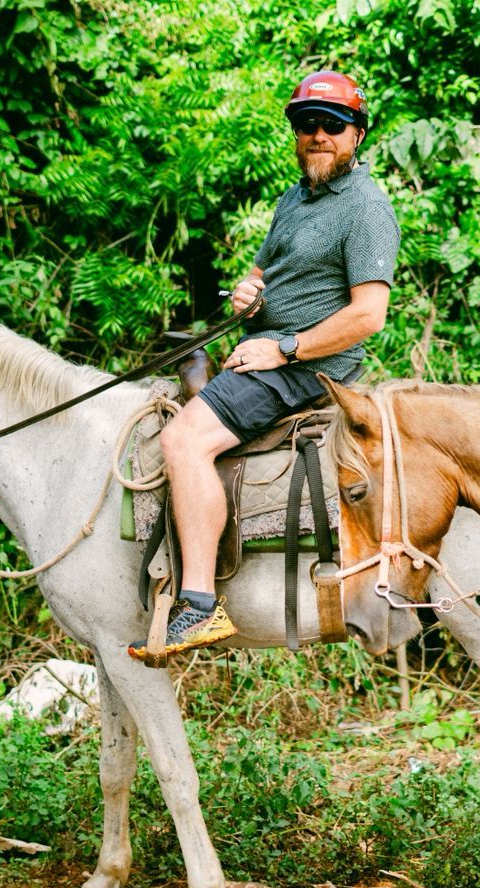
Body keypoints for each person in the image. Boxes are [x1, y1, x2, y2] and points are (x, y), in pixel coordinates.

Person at [129, 70, 401, 660]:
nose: (318, 135)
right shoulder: (293, 199)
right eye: (307, 125)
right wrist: (247, 294)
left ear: (357, 136)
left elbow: (368, 315)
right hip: (268, 349)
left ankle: (198, 605)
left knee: (182, 441)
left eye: (333, 125)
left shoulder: (367, 207)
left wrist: (283, 348)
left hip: (303, 367)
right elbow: (259, 273)